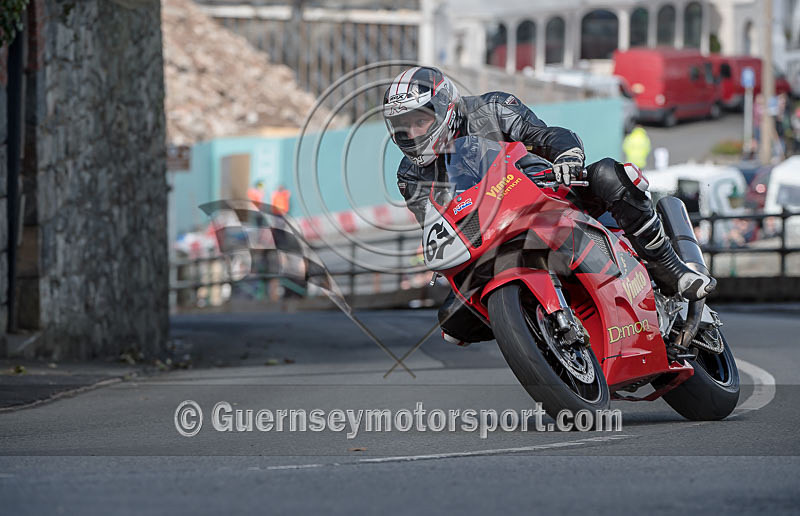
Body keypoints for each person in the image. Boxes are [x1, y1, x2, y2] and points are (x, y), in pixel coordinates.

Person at [382, 66, 716, 345]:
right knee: (452, 323)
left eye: (419, 120)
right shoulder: (409, 175)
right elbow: (437, 221)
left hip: (544, 192)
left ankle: (668, 268)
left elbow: (542, 134)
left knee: (610, 174)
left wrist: (566, 157)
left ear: (444, 108)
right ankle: (534, 330)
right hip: (488, 233)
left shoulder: (492, 108)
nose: (412, 132)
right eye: (402, 126)